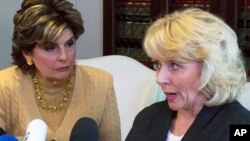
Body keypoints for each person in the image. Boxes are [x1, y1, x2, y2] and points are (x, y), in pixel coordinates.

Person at [0, 0, 121, 140]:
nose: (64, 57)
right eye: (50, 48)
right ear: (27, 53)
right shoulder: (4, 86)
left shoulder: (102, 84)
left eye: (69, 44)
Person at [125, 7, 250, 141]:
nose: (160, 78)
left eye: (174, 65)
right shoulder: (148, 117)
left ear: (210, 68)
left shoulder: (241, 126)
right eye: (158, 64)